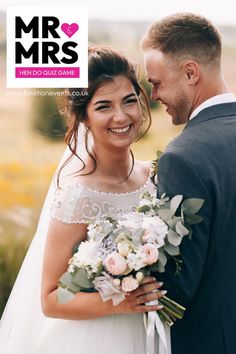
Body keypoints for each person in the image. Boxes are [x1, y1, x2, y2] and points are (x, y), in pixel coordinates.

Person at [0, 46, 166, 354]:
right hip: (96, 340)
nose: (121, 116)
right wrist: (120, 301)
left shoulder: (154, 177)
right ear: (85, 118)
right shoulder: (77, 196)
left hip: (154, 333)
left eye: (129, 101)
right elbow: (50, 299)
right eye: (104, 106)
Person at [141, 12, 236, 354]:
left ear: (190, 72)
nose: (153, 95)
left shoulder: (183, 157)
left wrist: (123, 262)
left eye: (157, 82)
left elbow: (175, 289)